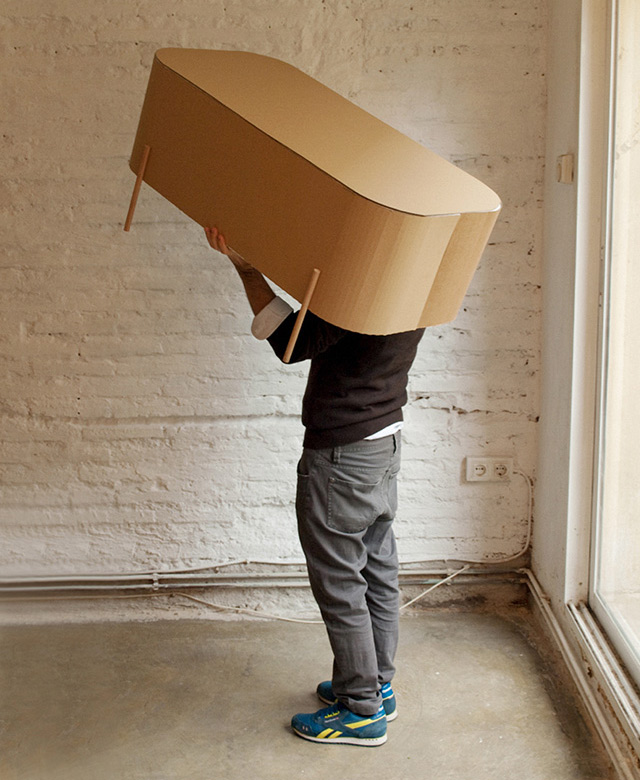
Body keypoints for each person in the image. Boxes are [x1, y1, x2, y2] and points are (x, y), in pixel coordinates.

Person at [205, 226, 425, 747]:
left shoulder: (362, 285)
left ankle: (361, 709)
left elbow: (291, 344)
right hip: (384, 441)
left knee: (341, 582)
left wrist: (246, 268)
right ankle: (376, 685)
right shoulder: (419, 275)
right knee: (375, 570)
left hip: (344, 452)